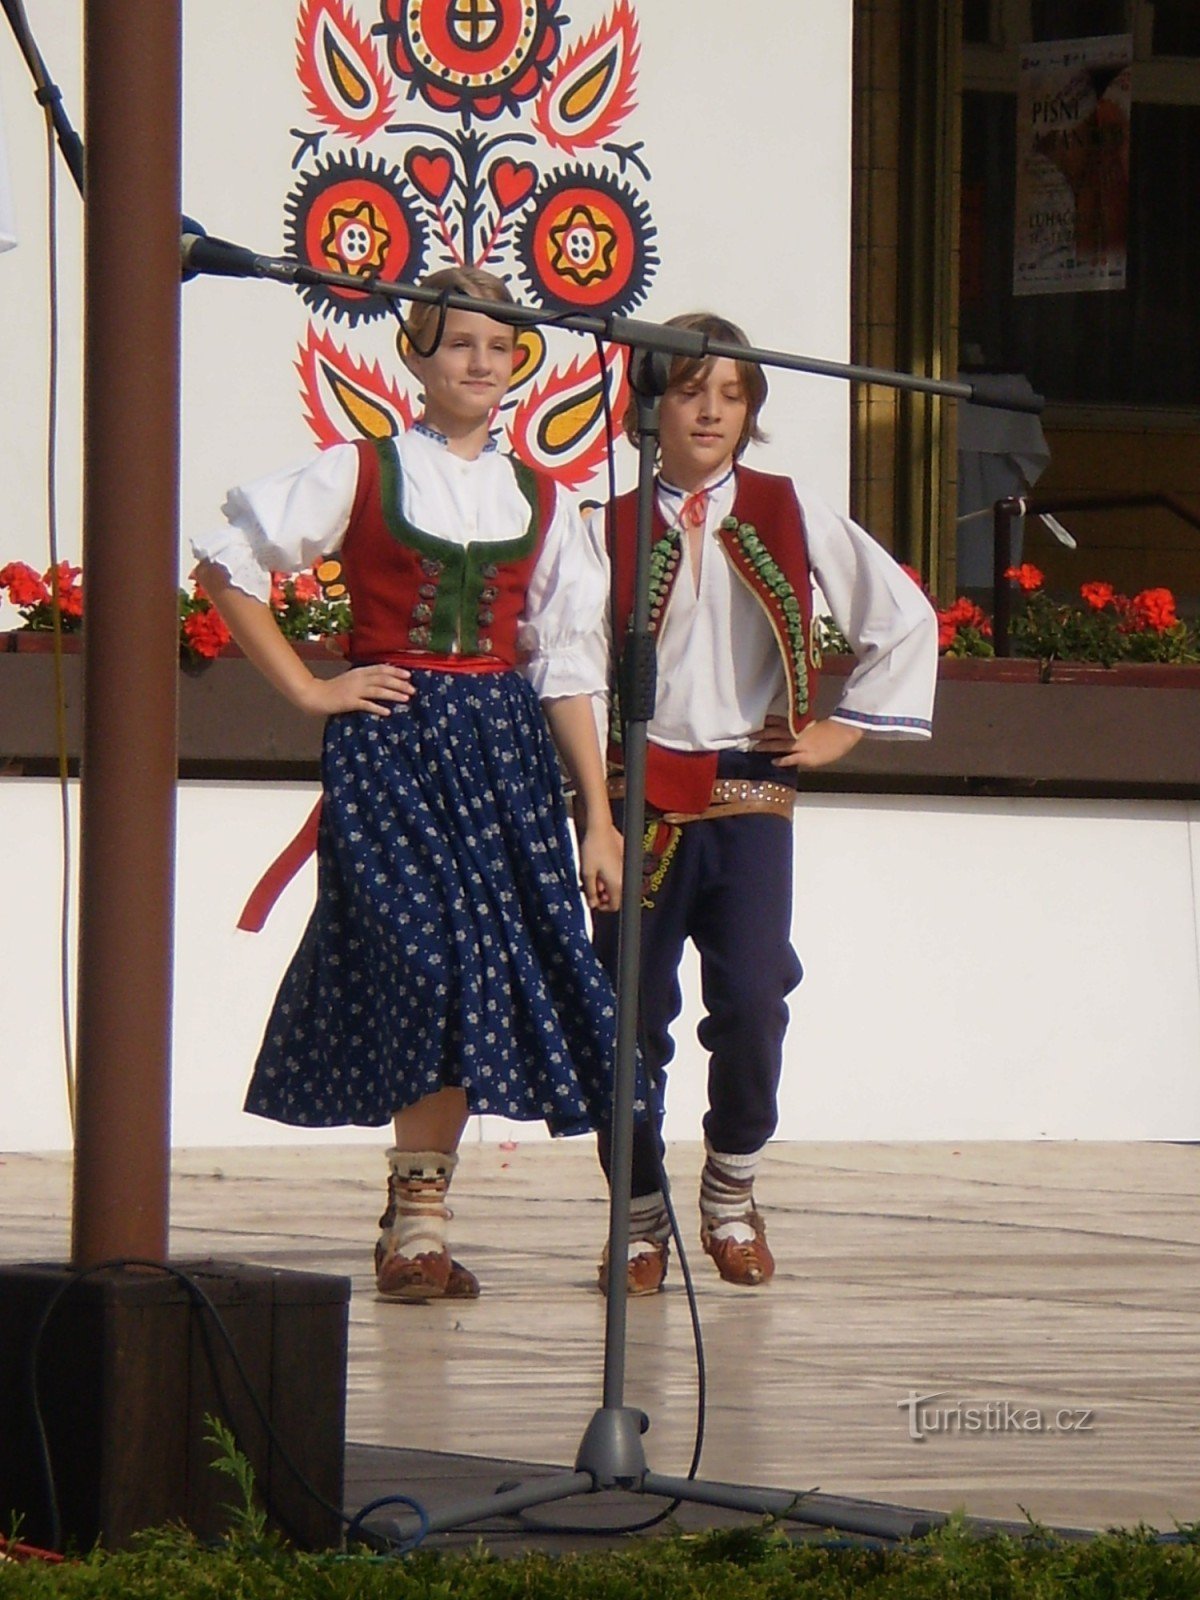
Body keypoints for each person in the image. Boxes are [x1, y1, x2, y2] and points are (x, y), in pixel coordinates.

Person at [192, 267, 627, 1304]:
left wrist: (598, 819)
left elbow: (565, 666)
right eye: (460, 343)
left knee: (477, 974)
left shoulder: (546, 500)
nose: (482, 362)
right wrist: (309, 686)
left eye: (499, 346)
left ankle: (420, 1216)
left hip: (501, 752)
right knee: (426, 961)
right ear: (416, 356)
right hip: (390, 739)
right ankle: (418, 1212)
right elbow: (228, 564)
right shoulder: (362, 470)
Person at [594, 312, 938, 1295]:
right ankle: (638, 1214)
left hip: (749, 791)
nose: (709, 410)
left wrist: (839, 730)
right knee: (624, 1012)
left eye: (732, 393)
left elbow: (902, 615)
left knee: (752, 998)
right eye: (691, 388)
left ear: (751, 413)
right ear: (650, 403)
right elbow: (564, 661)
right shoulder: (603, 526)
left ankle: (733, 1186)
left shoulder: (790, 509)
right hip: (639, 798)